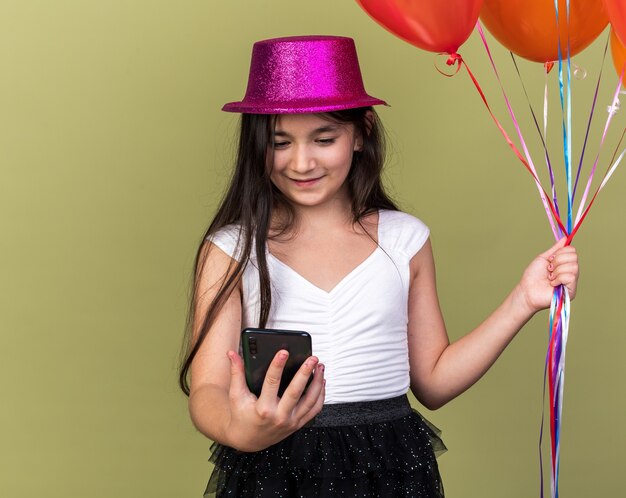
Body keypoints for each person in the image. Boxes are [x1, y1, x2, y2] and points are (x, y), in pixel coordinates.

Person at [178, 35, 579, 498]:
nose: (300, 161)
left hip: (391, 466)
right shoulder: (232, 248)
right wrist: (239, 429)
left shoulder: (404, 239)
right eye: (279, 142)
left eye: (324, 139)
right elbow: (207, 389)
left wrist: (523, 300)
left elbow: (433, 381)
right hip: (274, 469)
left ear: (362, 132)